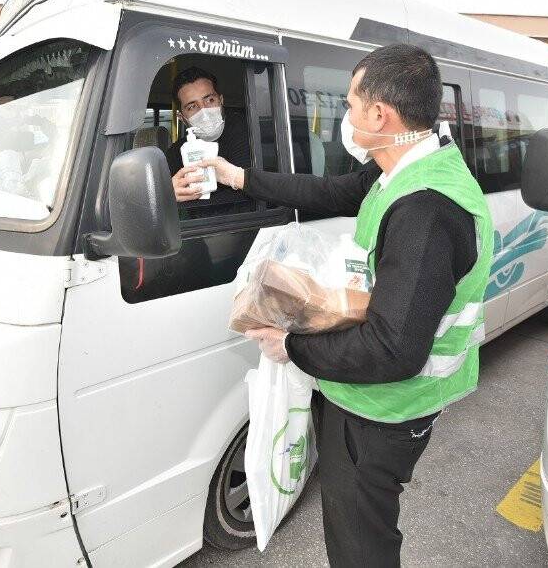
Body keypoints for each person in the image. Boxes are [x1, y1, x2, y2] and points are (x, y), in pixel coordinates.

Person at [201, 44, 493, 568]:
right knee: (355, 527)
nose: (347, 115)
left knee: (361, 541)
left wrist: (292, 346)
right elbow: (330, 191)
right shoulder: (402, 170)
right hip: (372, 402)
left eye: (351, 104)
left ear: (380, 114)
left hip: (384, 410)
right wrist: (238, 177)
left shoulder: (425, 209)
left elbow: (392, 350)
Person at [167, 67, 253, 214]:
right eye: (192, 106)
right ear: (182, 118)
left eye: (210, 100)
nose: (204, 111)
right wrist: (167, 194)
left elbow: (245, 196)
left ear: (221, 101)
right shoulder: (178, 151)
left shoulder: (246, 131)